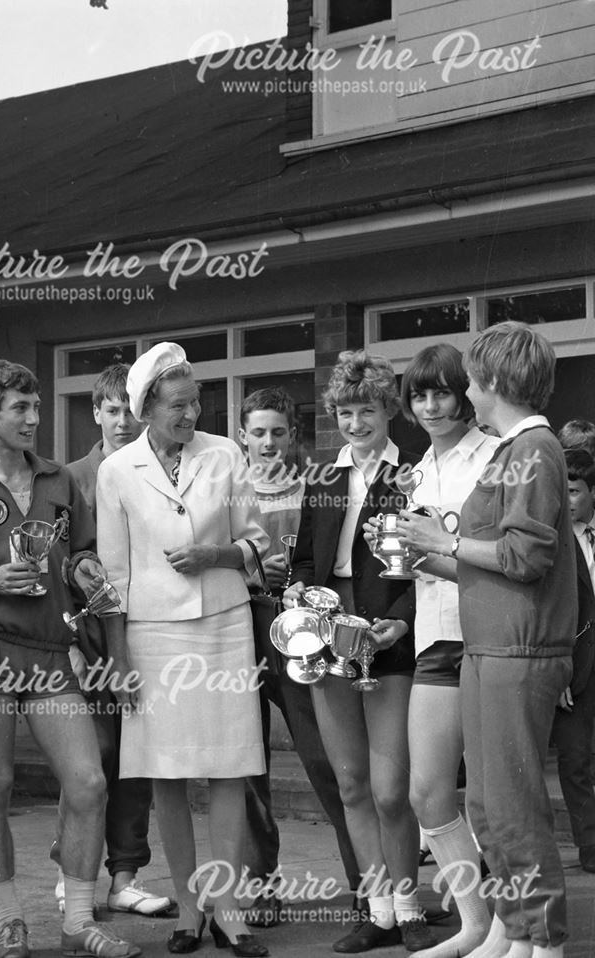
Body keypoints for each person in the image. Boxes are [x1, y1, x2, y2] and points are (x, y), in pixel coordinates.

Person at [0, 358, 139, 958]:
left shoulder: (58, 480)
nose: (32, 418)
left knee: (89, 781)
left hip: (50, 651)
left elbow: (79, 555)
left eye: (36, 406)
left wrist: (83, 569)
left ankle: (77, 923)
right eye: (18, 408)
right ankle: (8, 921)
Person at [397, 321, 576, 958]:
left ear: (495, 382)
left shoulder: (533, 450)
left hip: (517, 651)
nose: (466, 391)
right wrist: (430, 556)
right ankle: (516, 937)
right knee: (491, 808)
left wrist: (444, 541)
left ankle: (544, 943)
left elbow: (525, 555)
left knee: (515, 808)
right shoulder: (515, 449)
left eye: (471, 379)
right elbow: (497, 560)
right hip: (490, 646)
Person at [96, 342, 269, 957]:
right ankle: (189, 911)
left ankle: (230, 910)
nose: (191, 413)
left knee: (228, 771)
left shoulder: (225, 454)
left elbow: (257, 546)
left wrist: (215, 555)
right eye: (178, 404)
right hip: (150, 637)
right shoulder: (115, 470)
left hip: (224, 626)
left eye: (196, 401)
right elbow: (113, 579)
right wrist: (116, 659)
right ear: (146, 407)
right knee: (164, 775)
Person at [284, 350, 432, 954]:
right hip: (326, 636)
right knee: (349, 783)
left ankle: (410, 907)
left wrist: (398, 625)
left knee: (392, 788)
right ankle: (376, 911)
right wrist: (295, 590)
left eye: (366, 410)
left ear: (387, 409)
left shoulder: (413, 477)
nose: (354, 423)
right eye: (344, 412)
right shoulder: (321, 477)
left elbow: (427, 570)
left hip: (389, 637)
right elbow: (302, 560)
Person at [382, 344, 499, 958]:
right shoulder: (416, 471)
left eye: (442, 392)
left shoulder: (497, 458)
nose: (430, 405)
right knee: (427, 791)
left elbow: (507, 558)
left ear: (466, 394)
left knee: (489, 795)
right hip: (433, 638)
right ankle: (475, 921)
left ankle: (505, 929)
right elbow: (422, 566)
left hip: (490, 635)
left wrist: (439, 545)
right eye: (420, 395)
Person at [51, 363, 172, 918]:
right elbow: (53, 567)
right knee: (91, 756)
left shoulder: (157, 471)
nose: (123, 421)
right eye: (112, 409)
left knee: (136, 758)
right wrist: (69, 643)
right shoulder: (68, 477)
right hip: (86, 635)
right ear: (96, 412)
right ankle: (71, 870)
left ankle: (125, 876)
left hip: (144, 630)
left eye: (131, 409)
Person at [237, 387, 361, 926]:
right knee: (246, 769)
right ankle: (261, 889)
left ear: (295, 435)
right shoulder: (223, 487)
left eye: (278, 432)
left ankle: (368, 885)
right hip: (238, 629)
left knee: (327, 762)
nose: (268, 443)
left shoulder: (320, 487)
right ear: (243, 435)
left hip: (300, 632)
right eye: (258, 432)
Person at [552, 448, 595, 874]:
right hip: (573, 666)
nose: (566, 501)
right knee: (575, 760)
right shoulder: (552, 538)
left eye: (575, 492)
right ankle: (591, 848)